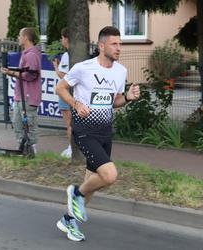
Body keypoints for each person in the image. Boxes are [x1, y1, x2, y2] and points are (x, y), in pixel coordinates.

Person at [55, 26, 140, 241]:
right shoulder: (83, 68)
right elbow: (60, 88)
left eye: (120, 44)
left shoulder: (120, 71)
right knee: (109, 175)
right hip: (84, 131)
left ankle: (68, 220)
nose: (118, 48)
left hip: (104, 133)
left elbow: (114, 101)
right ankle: (75, 193)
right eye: (114, 44)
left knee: (91, 184)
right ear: (102, 46)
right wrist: (75, 104)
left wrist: (128, 97)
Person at [1, 27, 42, 154]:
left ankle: (32, 151)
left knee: (28, 124)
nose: (18, 38)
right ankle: (23, 149)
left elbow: (31, 75)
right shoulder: (26, 53)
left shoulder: (31, 55)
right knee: (17, 122)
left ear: (25, 38)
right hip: (21, 96)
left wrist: (12, 73)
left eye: (20, 35)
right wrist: (12, 72)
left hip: (28, 97)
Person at [52, 27, 72, 158]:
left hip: (66, 93)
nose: (61, 40)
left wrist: (55, 66)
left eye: (62, 38)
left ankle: (71, 149)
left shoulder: (66, 55)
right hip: (76, 93)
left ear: (66, 39)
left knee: (69, 123)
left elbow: (63, 75)